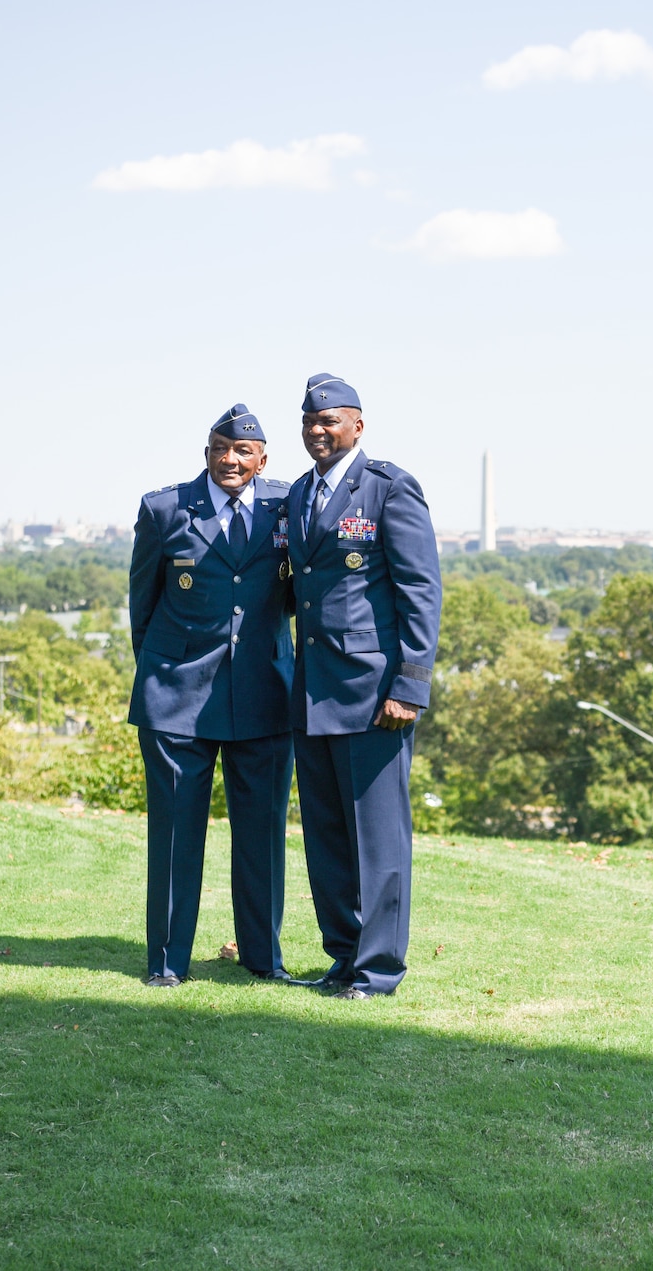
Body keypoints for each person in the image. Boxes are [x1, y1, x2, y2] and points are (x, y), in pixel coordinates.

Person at [127, 403, 297, 987]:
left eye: (243, 451)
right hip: (177, 699)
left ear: (263, 459)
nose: (231, 459)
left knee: (262, 837)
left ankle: (262, 959)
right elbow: (142, 609)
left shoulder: (287, 505)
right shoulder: (165, 509)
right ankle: (168, 962)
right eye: (221, 448)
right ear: (206, 453)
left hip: (265, 696)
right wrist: (161, 675)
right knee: (175, 836)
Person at [286, 373, 441, 998]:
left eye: (330, 421)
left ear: (357, 425)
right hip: (311, 692)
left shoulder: (387, 489)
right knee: (325, 838)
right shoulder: (299, 494)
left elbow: (420, 592)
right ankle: (343, 957)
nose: (318, 432)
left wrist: (410, 685)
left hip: (376, 696)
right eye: (309, 422)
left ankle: (378, 971)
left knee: (378, 843)